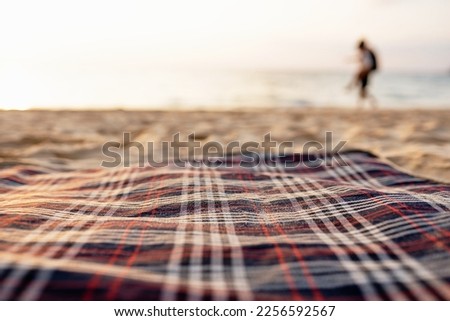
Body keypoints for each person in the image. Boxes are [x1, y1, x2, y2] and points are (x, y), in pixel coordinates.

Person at [347, 39, 378, 108]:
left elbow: (367, 65)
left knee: (363, 88)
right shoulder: (365, 53)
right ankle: (366, 103)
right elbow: (359, 59)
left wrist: (362, 73)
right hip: (365, 72)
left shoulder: (366, 53)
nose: (359, 50)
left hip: (365, 73)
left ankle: (363, 104)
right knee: (363, 89)